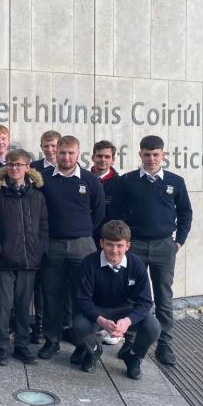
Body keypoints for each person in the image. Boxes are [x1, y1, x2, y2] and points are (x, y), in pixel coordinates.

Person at [115, 135, 192, 366]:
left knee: (164, 297)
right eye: (147, 154)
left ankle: (165, 345)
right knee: (131, 294)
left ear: (163, 155)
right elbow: (118, 213)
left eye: (155, 154)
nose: (151, 158)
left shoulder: (175, 181)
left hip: (163, 246)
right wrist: (124, 244)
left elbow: (186, 213)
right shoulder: (127, 181)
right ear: (140, 154)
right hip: (135, 245)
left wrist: (178, 242)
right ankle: (130, 341)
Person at [38, 135, 105, 359]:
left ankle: (82, 343)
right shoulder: (44, 179)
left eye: (71, 153)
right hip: (53, 245)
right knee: (52, 295)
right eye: (62, 152)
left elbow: (98, 214)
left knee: (82, 296)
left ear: (78, 154)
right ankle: (51, 340)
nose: (66, 157)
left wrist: (81, 233)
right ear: (55, 153)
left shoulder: (90, 180)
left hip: (82, 245)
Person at [0, 149, 48, 365]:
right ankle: (1, 346)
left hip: (29, 261)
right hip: (3, 262)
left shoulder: (37, 196)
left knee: (23, 305)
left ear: (28, 167)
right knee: (2, 305)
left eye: (19, 165)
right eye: (11, 164)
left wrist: (39, 249)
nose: (14, 168)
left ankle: (22, 345)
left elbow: (44, 227)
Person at [70, 220, 161, 380]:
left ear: (127, 246)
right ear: (101, 243)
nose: (114, 250)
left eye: (119, 245)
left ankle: (132, 356)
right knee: (79, 325)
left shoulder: (137, 265)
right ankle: (93, 350)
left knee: (153, 326)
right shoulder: (89, 263)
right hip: (98, 310)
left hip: (125, 311)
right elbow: (82, 300)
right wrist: (102, 321)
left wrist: (127, 321)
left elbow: (146, 302)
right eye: (110, 244)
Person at [90, 140, 123, 346]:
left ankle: (113, 327)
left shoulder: (120, 183)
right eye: (99, 156)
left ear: (113, 159)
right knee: (91, 282)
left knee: (112, 284)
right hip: (89, 239)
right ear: (92, 156)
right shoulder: (84, 178)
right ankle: (95, 323)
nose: (103, 160)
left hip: (112, 243)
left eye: (107, 157)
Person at [30, 130, 62, 344]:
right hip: (40, 235)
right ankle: (40, 326)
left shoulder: (70, 171)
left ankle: (63, 326)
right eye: (46, 146)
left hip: (62, 235)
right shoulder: (35, 171)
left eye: (54, 146)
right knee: (41, 285)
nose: (50, 150)